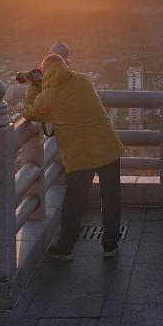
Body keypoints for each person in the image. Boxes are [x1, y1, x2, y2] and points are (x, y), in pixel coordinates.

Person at [23, 54, 125, 261]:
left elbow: (30, 113)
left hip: (81, 154)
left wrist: (34, 86)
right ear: (63, 65)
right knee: (111, 199)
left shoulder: (48, 96)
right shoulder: (83, 79)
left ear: (44, 72)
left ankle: (66, 248)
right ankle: (110, 245)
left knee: (74, 202)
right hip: (108, 146)